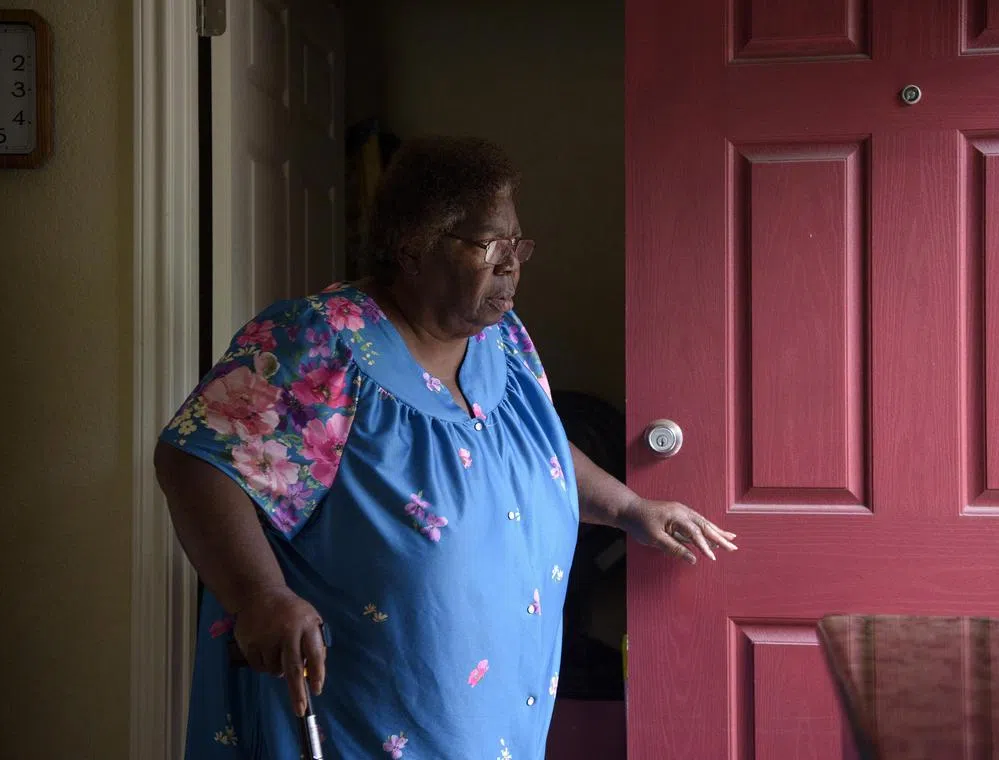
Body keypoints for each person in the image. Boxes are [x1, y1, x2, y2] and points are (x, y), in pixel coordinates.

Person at [155, 136, 737, 759]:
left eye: (518, 245)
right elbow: (196, 458)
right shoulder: (320, 342)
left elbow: (534, 444)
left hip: (495, 706)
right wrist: (260, 597)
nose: (512, 265)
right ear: (413, 247)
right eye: (489, 245)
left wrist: (628, 510)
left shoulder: (502, 338)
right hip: (367, 713)